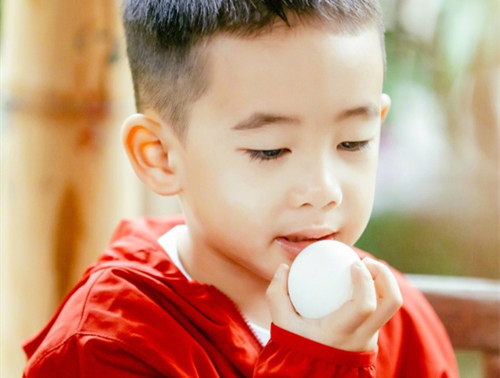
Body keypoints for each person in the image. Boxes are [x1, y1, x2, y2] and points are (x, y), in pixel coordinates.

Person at [23, 0, 459, 376]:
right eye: (271, 151)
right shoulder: (105, 348)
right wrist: (319, 363)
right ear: (159, 154)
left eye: (353, 142)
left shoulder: (396, 318)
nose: (324, 190)